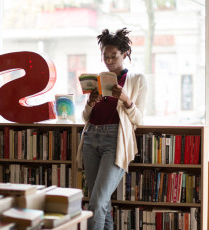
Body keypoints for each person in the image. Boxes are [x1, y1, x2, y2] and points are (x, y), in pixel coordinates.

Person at [76, 28, 148, 229]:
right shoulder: (99, 80)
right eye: (105, 56)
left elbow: (139, 119)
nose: (109, 60)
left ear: (124, 54)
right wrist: (90, 102)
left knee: (97, 203)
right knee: (102, 203)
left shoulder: (136, 80)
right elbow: (84, 118)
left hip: (114, 140)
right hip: (90, 139)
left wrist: (126, 100)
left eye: (113, 56)